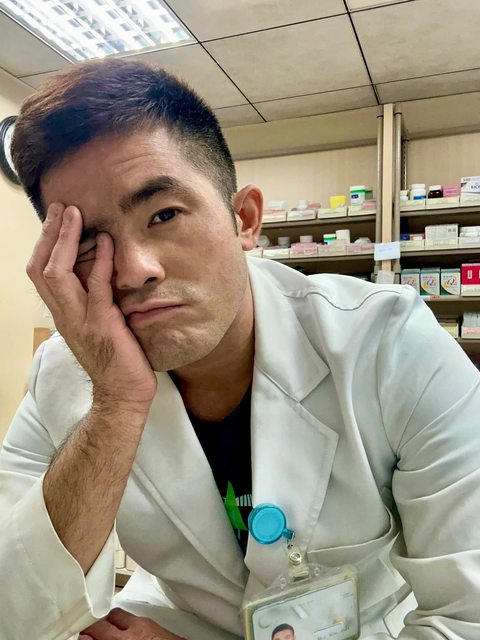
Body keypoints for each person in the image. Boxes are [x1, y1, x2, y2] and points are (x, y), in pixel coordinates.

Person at [0, 58, 479, 640]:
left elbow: (466, 619)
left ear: (244, 219)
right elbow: (14, 610)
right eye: (88, 244)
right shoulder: (62, 376)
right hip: (181, 619)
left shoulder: (389, 344)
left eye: (164, 214)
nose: (133, 270)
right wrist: (117, 402)